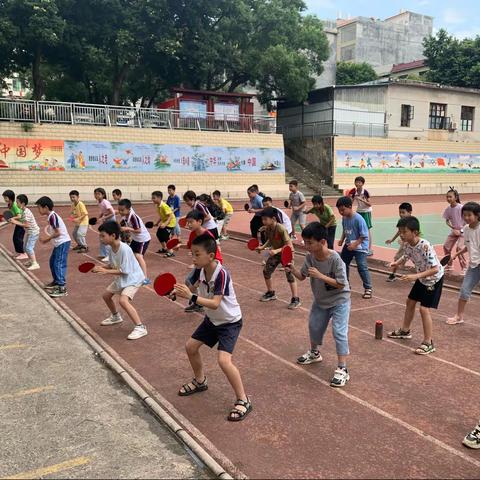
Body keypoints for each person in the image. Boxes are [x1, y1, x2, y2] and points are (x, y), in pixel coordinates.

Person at [173, 234, 252, 421]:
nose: (193, 258)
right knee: (190, 347)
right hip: (212, 320)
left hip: (229, 322)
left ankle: (243, 400)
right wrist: (176, 292)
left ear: (211, 255)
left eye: (197, 254)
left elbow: (215, 303)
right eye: (192, 253)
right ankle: (200, 381)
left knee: (224, 361)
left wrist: (190, 297)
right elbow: (190, 289)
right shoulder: (198, 271)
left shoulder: (222, 273)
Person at [288, 222, 351, 387]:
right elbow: (302, 276)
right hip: (321, 300)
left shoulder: (335, 259)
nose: (306, 245)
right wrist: (291, 268)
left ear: (322, 242)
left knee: (339, 331)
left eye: (310, 242)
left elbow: (341, 284)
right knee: (314, 326)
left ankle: (343, 369)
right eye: (305, 242)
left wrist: (321, 276)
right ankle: (315, 353)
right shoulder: (310, 258)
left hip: (339, 300)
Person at [387, 216, 444, 355]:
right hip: (422, 277)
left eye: (404, 231)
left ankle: (428, 342)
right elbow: (406, 256)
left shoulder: (425, 246)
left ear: (415, 232)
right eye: (400, 231)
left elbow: (435, 269)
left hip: (433, 279)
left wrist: (415, 276)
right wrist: (396, 263)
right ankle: (405, 331)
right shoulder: (406, 244)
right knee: (410, 301)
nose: (401, 234)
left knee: (424, 309)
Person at [94, 221, 147, 340]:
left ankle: (140, 327)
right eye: (100, 236)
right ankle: (116, 316)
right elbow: (113, 265)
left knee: (123, 301)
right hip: (123, 278)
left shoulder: (124, 249)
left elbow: (125, 270)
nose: (100, 238)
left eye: (103, 235)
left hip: (133, 278)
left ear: (113, 236)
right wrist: (100, 268)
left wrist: (106, 271)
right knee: (106, 296)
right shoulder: (111, 248)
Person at [177, 210, 224, 314]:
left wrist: (195, 262)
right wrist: (180, 246)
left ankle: (200, 302)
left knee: (197, 283)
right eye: (187, 222)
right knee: (191, 282)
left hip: (212, 262)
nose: (188, 224)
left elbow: (212, 253)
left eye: (190, 222)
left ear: (199, 222)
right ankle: (198, 301)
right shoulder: (193, 234)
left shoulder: (207, 235)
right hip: (202, 262)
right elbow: (190, 246)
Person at [256, 207, 301, 309]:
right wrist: (262, 247)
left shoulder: (281, 228)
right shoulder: (268, 228)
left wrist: (276, 250)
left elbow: (289, 245)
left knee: (289, 275)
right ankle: (271, 293)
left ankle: (295, 299)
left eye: (265, 219)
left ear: (273, 219)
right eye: (262, 219)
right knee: (266, 271)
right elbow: (270, 240)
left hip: (287, 253)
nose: (263, 221)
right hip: (276, 253)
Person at [447, 202, 480, 325]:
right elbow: (468, 246)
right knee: (464, 290)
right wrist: (455, 254)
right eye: (464, 215)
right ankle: (459, 316)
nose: (466, 218)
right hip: (474, 266)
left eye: (469, 215)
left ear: (477, 215)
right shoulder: (465, 229)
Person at [336, 196, 373, 299]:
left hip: (360, 246)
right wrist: (342, 239)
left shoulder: (358, 219)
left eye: (343, 210)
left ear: (350, 207)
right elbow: (345, 229)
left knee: (361, 266)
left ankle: (368, 288)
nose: (341, 212)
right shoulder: (344, 218)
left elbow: (364, 236)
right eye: (339, 211)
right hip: (349, 245)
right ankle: (346, 284)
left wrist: (355, 245)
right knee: (343, 264)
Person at [36, 196, 71, 298]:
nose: (38, 210)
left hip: (63, 242)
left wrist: (46, 239)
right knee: (52, 262)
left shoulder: (53, 216)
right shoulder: (51, 216)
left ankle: (62, 287)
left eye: (39, 207)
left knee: (58, 263)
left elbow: (58, 233)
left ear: (46, 207)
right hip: (59, 244)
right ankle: (56, 282)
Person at [118, 198, 151, 284]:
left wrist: (127, 228)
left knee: (138, 256)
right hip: (136, 239)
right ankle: (131, 273)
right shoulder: (126, 215)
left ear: (129, 209)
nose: (120, 212)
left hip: (142, 239)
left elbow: (138, 230)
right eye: (119, 210)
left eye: (122, 210)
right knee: (130, 255)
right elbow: (121, 222)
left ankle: (145, 278)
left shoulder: (133, 217)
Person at [9, 194, 40, 270]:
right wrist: (14, 221)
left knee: (29, 248)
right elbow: (23, 221)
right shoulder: (23, 210)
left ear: (22, 203)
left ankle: (35, 263)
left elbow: (26, 225)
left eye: (17, 202)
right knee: (25, 247)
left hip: (33, 232)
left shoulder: (26, 212)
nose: (16, 204)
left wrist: (15, 222)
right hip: (30, 232)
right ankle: (30, 260)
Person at [385, 202, 414, 282]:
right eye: (400, 212)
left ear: (410, 212)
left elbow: (416, 234)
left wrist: (406, 240)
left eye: (403, 212)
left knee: (418, 260)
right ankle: (393, 274)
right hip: (405, 244)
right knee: (397, 258)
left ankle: (422, 276)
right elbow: (399, 231)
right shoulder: (401, 220)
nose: (401, 214)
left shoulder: (412, 222)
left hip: (413, 244)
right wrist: (392, 239)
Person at [442, 187, 467, 272]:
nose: (448, 198)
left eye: (450, 197)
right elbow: (447, 221)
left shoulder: (461, 208)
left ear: (455, 198)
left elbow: (467, 221)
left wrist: (461, 230)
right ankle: (449, 265)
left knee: (459, 248)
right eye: (447, 197)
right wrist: (453, 228)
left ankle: (464, 267)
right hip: (455, 231)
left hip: (463, 231)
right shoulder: (448, 209)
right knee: (446, 246)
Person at [348, 176, 373, 256]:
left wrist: (361, 199)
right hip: (359, 211)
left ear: (362, 183)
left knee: (367, 230)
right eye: (356, 182)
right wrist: (351, 199)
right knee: (358, 229)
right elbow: (350, 203)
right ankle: (358, 247)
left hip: (366, 212)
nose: (357, 183)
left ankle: (369, 249)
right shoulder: (353, 191)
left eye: (359, 182)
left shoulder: (365, 192)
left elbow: (369, 204)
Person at [2, 189, 26, 259]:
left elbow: (19, 216)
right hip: (18, 223)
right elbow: (13, 215)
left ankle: (23, 253)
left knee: (18, 238)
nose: (5, 199)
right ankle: (19, 253)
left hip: (22, 223)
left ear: (10, 197)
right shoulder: (10, 205)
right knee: (15, 238)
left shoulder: (15, 205)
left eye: (6, 197)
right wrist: (11, 219)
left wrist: (12, 219)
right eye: (4, 197)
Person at [152, 190, 176, 256]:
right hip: (166, 222)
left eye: (154, 198)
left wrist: (165, 224)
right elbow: (162, 216)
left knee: (165, 236)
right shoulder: (157, 205)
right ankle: (164, 248)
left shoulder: (164, 206)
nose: (152, 199)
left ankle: (171, 252)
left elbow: (170, 215)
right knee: (159, 234)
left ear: (159, 198)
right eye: (152, 198)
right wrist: (157, 223)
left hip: (171, 223)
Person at [94, 188, 116, 262]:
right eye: (95, 194)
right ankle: (103, 253)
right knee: (102, 236)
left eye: (98, 194)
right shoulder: (99, 202)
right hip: (106, 219)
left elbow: (112, 213)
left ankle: (108, 255)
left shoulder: (105, 202)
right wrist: (99, 218)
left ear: (103, 195)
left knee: (107, 237)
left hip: (111, 220)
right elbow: (103, 211)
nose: (96, 195)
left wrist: (103, 218)